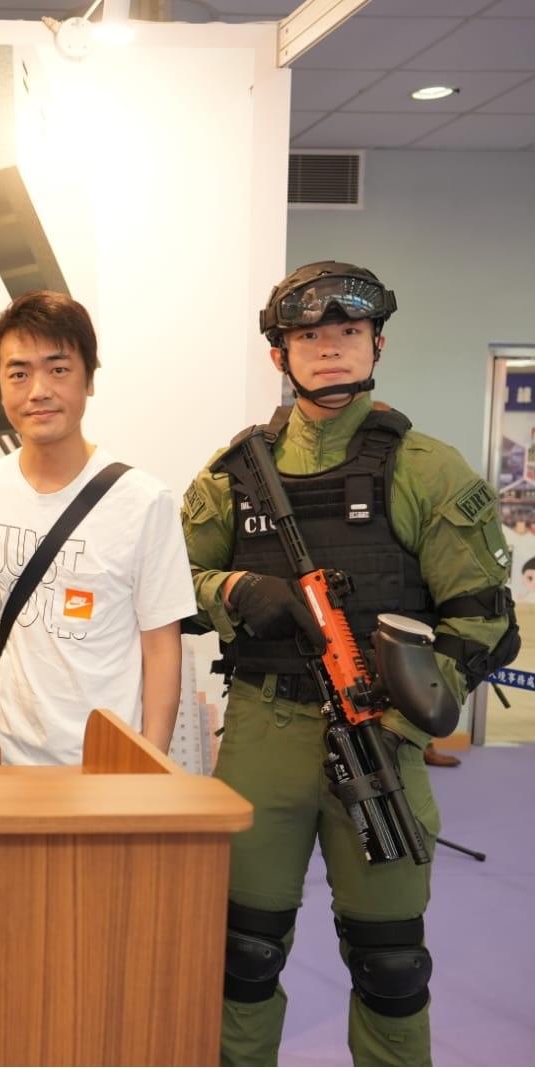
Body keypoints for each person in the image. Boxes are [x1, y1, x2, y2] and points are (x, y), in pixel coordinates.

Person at [181, 260, 517, 1067]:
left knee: (390, 963)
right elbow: (169, 581)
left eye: (348, 331)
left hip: (382, 739)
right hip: (264, 733)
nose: (330, 347)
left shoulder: (428, 469)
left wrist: (408, 721)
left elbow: (484, 618)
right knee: (243, 954)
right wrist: (235, 590)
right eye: (309, 336)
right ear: (280, 355)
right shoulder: (233, 476)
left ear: (377, 344)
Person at [0, 290, 196, 765]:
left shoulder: (145, 501)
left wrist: (148, 763)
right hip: (0, 757)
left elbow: (161, 647)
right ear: (0, 385)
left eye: (58, 369)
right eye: (19, 373)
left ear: (89, 379)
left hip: (104, 762)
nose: (38, 390)